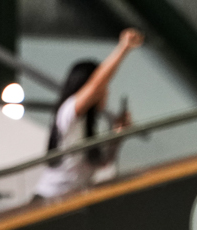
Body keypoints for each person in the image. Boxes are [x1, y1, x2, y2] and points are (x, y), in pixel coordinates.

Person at [33, 29, 142, 203]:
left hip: (71, 201)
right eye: (103, 88)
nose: (106, 92)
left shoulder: (88, 125)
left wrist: (117, 138)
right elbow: (97, 84)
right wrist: (124, 48)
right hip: (48, 203)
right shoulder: (68, 112)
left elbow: (100, 164)